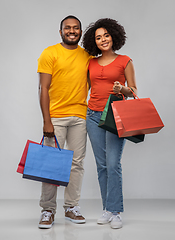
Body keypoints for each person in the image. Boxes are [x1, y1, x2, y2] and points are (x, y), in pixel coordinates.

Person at [37, 15, 92, 229]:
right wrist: (46, 121)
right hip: (56, 117)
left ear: (80, 31)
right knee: (51, 164)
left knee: (76, 164)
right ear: (60, 32)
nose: (72, 31)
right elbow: (43, 89)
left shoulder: (87, 56)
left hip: (80, 116)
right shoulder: (50, 53)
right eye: (67, 28)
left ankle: (71, 207)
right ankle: (47, 210)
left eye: (76, 28)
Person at [82, 18, 137, 229]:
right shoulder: (91, 62)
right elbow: (86, 88)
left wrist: (121, 90)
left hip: (115, 115)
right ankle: (107, 208)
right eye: (98, 37)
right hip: (93, 115)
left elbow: (133, 90)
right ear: (93, 42)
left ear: (114, 36)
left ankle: (115, 212)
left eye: (106, 35)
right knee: (102, 165)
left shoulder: (125, 61)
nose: (103, 39)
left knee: (113, 164)